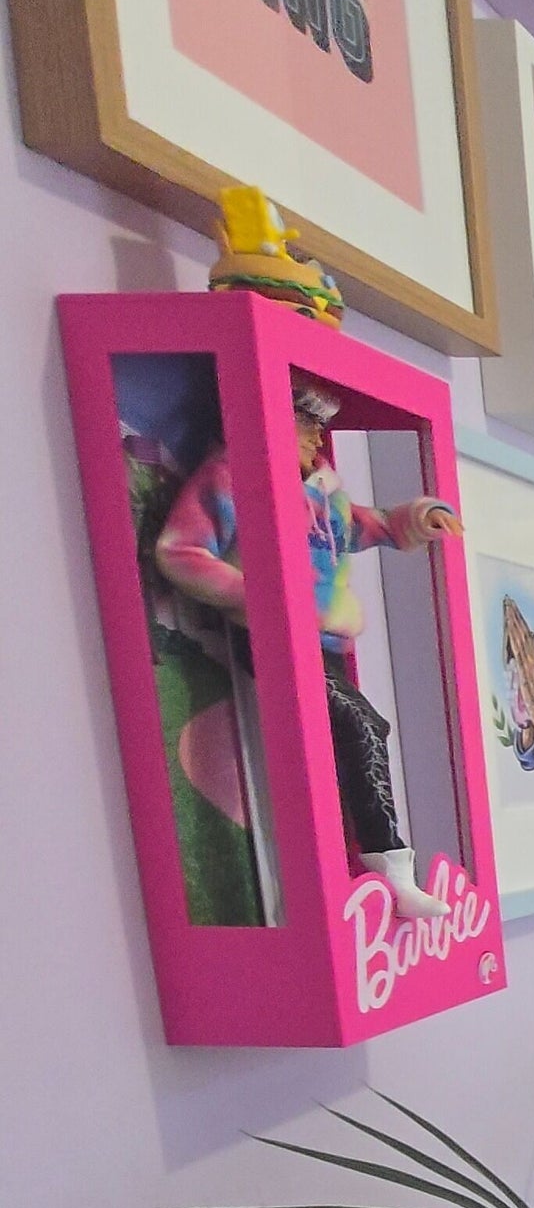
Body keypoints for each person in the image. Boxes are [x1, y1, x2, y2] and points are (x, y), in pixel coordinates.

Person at [151, 377, 461, 920]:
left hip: (326, 639)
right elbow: (181, 551)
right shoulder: (229, 478)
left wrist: (416, 518)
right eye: (307, 424)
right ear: (270, 417)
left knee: (346, 737)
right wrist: (258, 596)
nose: (317, 438)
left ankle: (368, 869)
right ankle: (390, 870)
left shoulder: (322, 491)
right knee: (360, 726)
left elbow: (371, 526)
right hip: (275, 636)